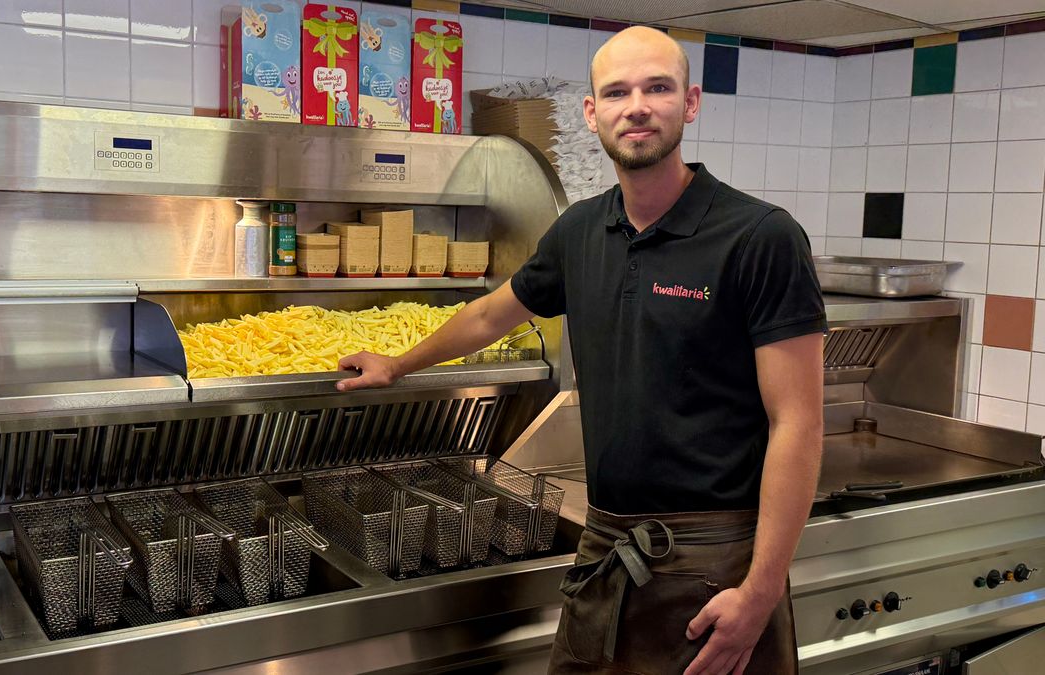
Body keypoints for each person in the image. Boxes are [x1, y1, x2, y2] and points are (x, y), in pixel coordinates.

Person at [335, 26, 825, 675]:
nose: (638, 106)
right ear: (592, 111)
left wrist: (759, 595)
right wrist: (396, 364)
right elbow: (490, 313)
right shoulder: (581, 229)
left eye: (658, 87)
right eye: (617, 91)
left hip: (715, 563)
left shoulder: (760, 237)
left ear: (691, 102)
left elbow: (800, 423)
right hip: (607, 542)